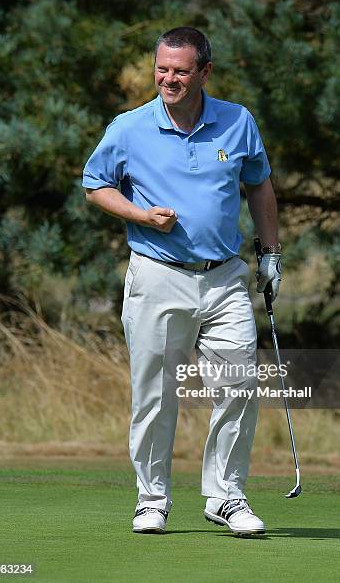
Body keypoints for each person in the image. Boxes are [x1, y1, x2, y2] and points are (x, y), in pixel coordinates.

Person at [82, 27, 281, 536]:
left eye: (181, 70)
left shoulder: (237, 122)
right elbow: (95, 185)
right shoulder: (129, 127)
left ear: (205, 73)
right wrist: (141, 216)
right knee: (155, 393)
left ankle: (226, 497)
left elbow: (258, 185)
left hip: (223, 278)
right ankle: (152, 499)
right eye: (162, 68)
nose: (168, 78)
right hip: (156, 275)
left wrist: (270, 253)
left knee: (239, 383)